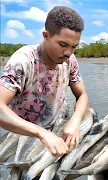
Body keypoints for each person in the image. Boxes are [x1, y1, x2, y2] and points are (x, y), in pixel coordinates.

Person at [0, 6, 88, 157]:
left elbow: (82, 95)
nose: (68, 52)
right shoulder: (23, 61)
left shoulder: (70, 61)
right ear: (46, 35)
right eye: (63, 45)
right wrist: (41, 134)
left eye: (74, 47)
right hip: (22, 135)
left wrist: (75, 120)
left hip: (56, 129)